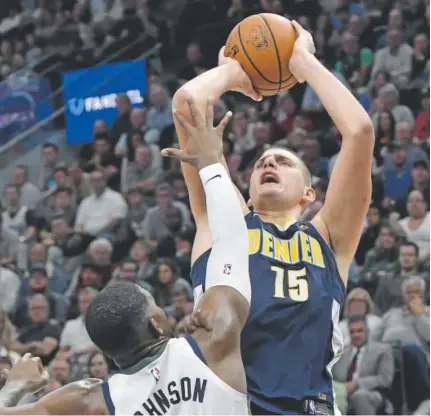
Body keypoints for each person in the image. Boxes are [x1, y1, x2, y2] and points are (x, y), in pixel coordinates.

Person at [0, 98, 252, 415]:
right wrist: (210, 163)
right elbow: (234, 236)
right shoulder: (214, 340)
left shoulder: (93, 401)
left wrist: (15, 385)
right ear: (155, 324)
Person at [166, 21, 375, 415]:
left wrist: (304, 62)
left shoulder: (329, 238)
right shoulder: (223, 226)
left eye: (284, 161)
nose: (270, 162)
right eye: (262, 161)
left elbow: (360, 131)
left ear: (309, 194)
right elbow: (186, 103)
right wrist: (232, 71)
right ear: (244, 192)